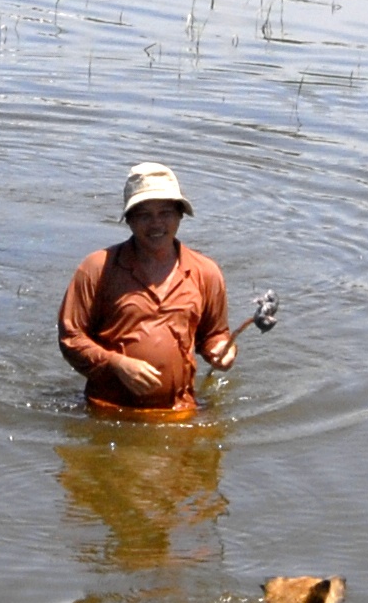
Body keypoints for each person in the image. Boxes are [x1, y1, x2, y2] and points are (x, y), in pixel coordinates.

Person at [59, 162, 236, 418]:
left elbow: (214, 334)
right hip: (107, 411)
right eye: (144, 215)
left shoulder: (206, 272)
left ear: (180, 215)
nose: (156, 224)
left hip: (180, 413)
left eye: (165, 213)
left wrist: (222, 350)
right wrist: (117, 364)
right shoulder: (97, 268)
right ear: (129, 220)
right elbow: (71, 338)